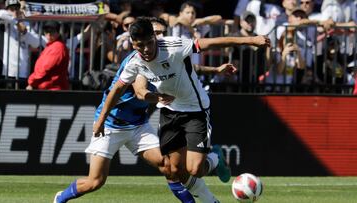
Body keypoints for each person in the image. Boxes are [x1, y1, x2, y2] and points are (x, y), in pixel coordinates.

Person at [53, 18, 239, 203]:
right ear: (137, 43)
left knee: (170, 167)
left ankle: (206, 193)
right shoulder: (137, 63)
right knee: (95, 181)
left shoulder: (165, 52)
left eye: (159, 35)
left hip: (138, 126)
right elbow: (140, 90)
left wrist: (216, 69)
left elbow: (189, 65)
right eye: (155, 34)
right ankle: (61, 198)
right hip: (112, 125)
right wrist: (153, 98)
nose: (157, 40)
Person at [92, 17, 270, 202]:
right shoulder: (134, 62)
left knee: (195, 170)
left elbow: (211, 43)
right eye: (139, 45)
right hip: (169, 111)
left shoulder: (173, 46)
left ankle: (215, 157)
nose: (145, 49)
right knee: (176, 169)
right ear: (132, 43)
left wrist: (250, 40)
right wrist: (101, 119)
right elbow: (119, 90)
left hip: (195, 109)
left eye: (149, 43)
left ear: (155, 37)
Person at [0, 0, 40, 89]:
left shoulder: (26, 23)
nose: (15, 11)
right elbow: (0, 13)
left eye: (17, 9)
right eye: (11, 9)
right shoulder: (5, 22)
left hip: (23, 72)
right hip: (8, 72)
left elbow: (36, 43)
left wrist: (25, 32)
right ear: (7, 10)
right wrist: (16, 22)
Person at [26, 21, 69, 90]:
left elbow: (44, 69)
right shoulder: (53, 46)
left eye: (52, 31)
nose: (48, 34)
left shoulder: (57, 47)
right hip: (48, 89)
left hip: (52, 91)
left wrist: (32, 82)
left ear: (58, 32)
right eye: (46, 31)